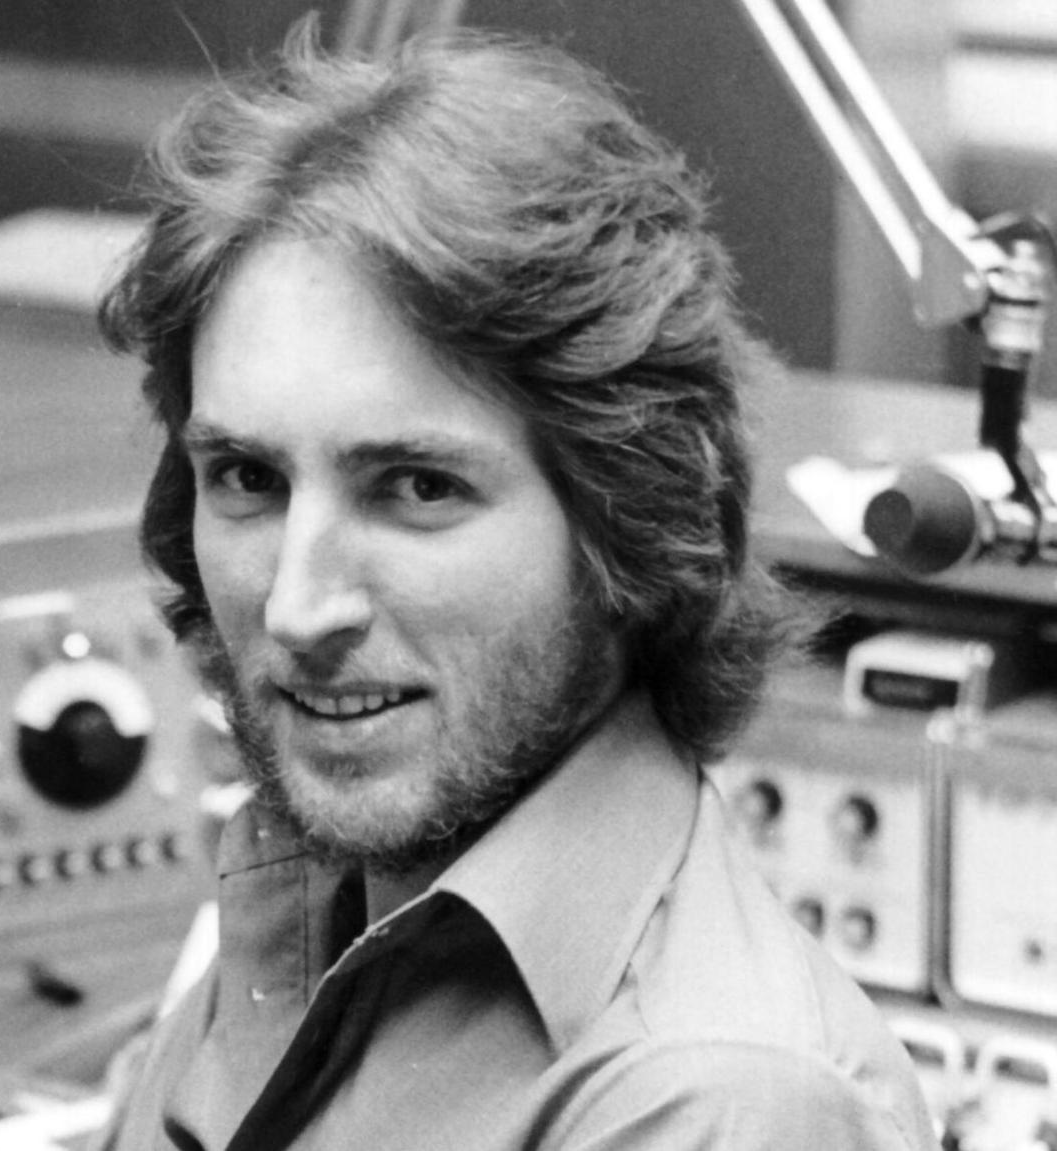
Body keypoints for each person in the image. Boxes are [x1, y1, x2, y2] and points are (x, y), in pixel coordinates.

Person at [93, 25, 936, 1151]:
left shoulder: (713, 1099)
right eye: (247, 478)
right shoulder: (324, 866)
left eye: (416, 487)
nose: (297, 608)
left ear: (624, 521)